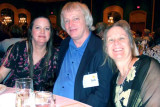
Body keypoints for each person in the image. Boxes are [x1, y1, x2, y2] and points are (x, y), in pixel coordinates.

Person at [53, 2, 112, 107]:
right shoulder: (64, 44)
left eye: (76, 19)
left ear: (86, 20)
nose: (71, 24)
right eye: (67, 21)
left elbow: (102, 94)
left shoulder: (101, 49)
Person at [103, 20, 160, 107]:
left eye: (121, 38)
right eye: (111, 40)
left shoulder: (147, 67)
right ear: (106, 49)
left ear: (130, 43)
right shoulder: (114, 80)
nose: (116, 43)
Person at [0, 16, 58, 91]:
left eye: (47, 28)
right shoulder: (19, 48)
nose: (42, 32)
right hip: (13, 96)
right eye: (38, 27)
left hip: (40, 100)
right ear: (31, 31)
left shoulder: (56, 55)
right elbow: (1, 73)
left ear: (50, 33)